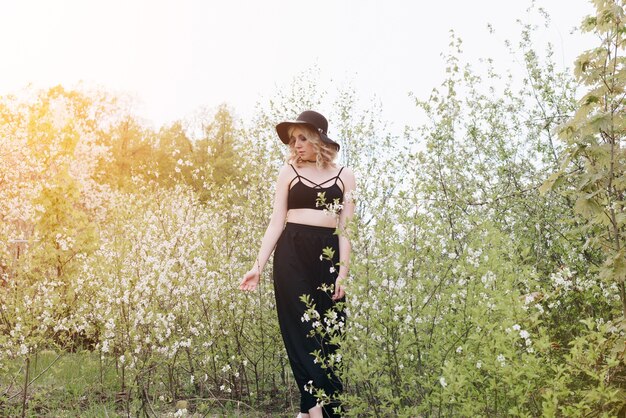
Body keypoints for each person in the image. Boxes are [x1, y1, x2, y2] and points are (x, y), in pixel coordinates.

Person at [240, 110, 356, 418]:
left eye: (303, 137)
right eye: (293, 140)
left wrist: (343, 273)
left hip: (329, 255)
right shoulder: (288, 171)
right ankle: (320, 413)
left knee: (330, 336)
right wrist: (258, 265)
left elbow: (346, 230)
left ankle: (310, 410)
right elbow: (276, 221)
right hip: (291, 253)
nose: (297, 145)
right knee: (302, 332)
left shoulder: (346, 175)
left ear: (320, 137)